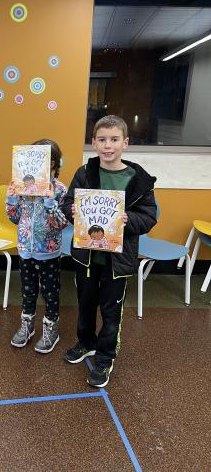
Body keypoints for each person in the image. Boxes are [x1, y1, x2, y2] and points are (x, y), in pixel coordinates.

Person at [61, 115, 157, 387]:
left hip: (118, 260)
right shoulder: (84, 172)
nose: (108, 145)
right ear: (93, 143)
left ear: (125, 143)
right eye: (102, 140)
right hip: (87, 256)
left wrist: (129, 219)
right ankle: (86, 342)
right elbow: (68, 202)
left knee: (111, 310)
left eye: (114, 139)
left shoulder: (138, 179)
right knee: (85, 302)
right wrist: (72, 211)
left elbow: (149, 217)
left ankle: (105, 357)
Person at [7, 139, 68, 353]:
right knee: (27, 290)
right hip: (25, 248)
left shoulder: (59, 189)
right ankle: (27, 325)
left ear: (52, 163)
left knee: (50, 291)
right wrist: (12, 200)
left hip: (48, 251)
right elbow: (15, 219)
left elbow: (61, 224)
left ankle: (51, 328)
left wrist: (50, 203)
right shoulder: (23, 186)